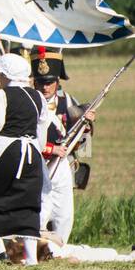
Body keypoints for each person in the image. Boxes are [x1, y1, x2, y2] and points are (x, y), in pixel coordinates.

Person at [0, 53, 46, 260]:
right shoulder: (38, 96)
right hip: (32, 152)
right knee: (28, 202)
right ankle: (31, 259)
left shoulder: (1, 95)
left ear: (4, 73)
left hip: (7, 150)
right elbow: (42, 134)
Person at [32, 48, 92, 246]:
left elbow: (83, 141)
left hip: (63, 163)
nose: (45, 87)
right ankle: (36, 246)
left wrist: (88, 124)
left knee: (64, 210)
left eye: (49, 82)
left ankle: (60, 246)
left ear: (57, 81)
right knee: (38, 207)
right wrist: (50, 149)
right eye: (41, 82)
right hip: (36, 162)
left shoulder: (69, 102)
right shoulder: (29, 101)